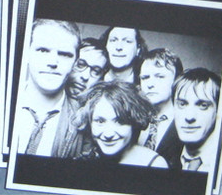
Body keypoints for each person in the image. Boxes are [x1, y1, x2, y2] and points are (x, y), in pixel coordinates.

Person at [15, 18, 82, 157]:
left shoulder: (83, 120)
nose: (52, 62)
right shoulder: (0, 103)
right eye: (43, 50)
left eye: (65, 54)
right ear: (26, 53)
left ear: (75, 63)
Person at [74, 81, 168, 168]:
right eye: (100, 121)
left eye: (119, 121)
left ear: (134, 122)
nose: (108, 134)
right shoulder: (84, 160)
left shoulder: (154, 164)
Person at [137, 48, 183, 169]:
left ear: (176, 80)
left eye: (160, 76)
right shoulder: (134, 120)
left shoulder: (185, 123)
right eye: (145, 77)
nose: (150, 84)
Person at [173, 68, 221, 172]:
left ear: (218, 110)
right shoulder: (166, 160)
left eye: (203, 105)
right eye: (182, 104)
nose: (189, 117)